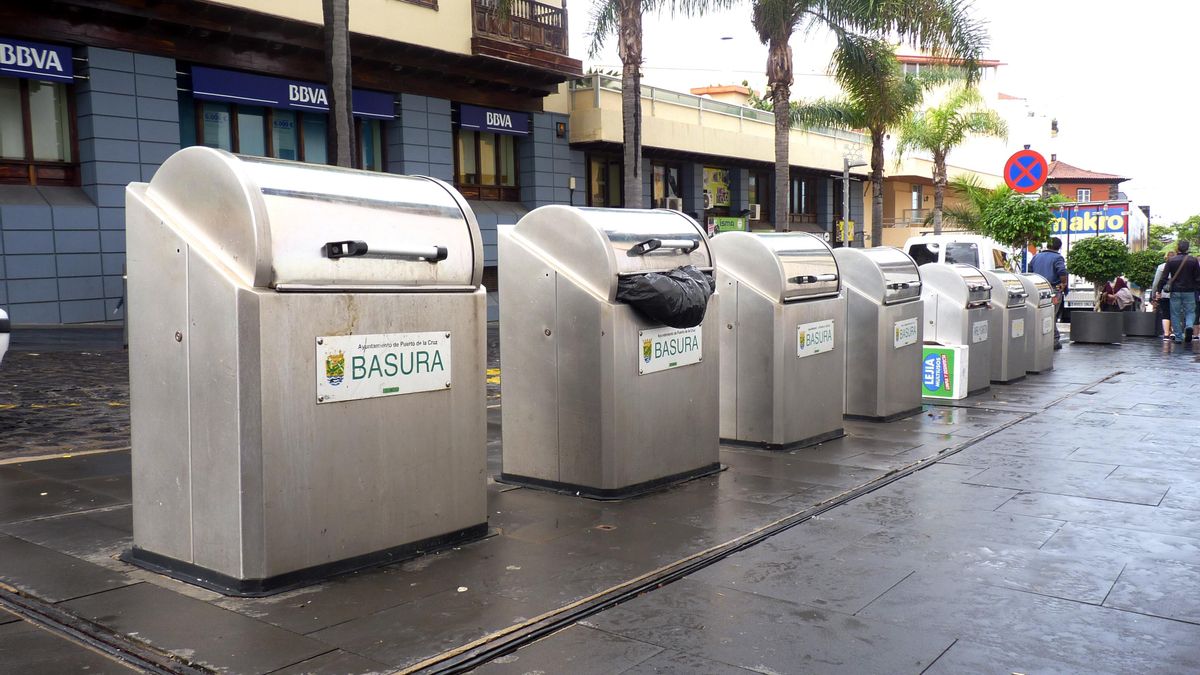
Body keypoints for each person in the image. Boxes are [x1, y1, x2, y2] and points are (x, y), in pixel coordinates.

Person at [1153, 240, 1200, 343]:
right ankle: (1188, 326)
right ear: (1188, 248)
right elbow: (1198, 278)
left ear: (1177, 248)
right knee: (1190, 312)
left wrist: (1159, 290)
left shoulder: (1171, 260)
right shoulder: (1193, 260)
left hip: (1175, 291)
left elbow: (1164, 277)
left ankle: (1178, 337)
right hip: (1190, 291)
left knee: (1175, 314)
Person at [1029, 237, 1069, 348]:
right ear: (1059, 247)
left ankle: (1041, 339)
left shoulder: (1036, 256)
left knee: (1042, 314)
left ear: (1048, 245)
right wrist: (1064, 284)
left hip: (1037, 289)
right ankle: (1054, 341)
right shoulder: (1057, 258)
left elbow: (1030, 270)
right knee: (1052, 315)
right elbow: (1062, 271)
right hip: (1053, 290)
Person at [1151, 248, 1175, 341]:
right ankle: (1173, 332)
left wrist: (1155, 293)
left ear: (1166, 258)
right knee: (1175, 313)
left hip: (1164, 293)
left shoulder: (1161, 267)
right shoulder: (1179, 266)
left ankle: (1166, 334)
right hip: (1176, 293)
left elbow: (1156, 283)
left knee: (1165, 313)